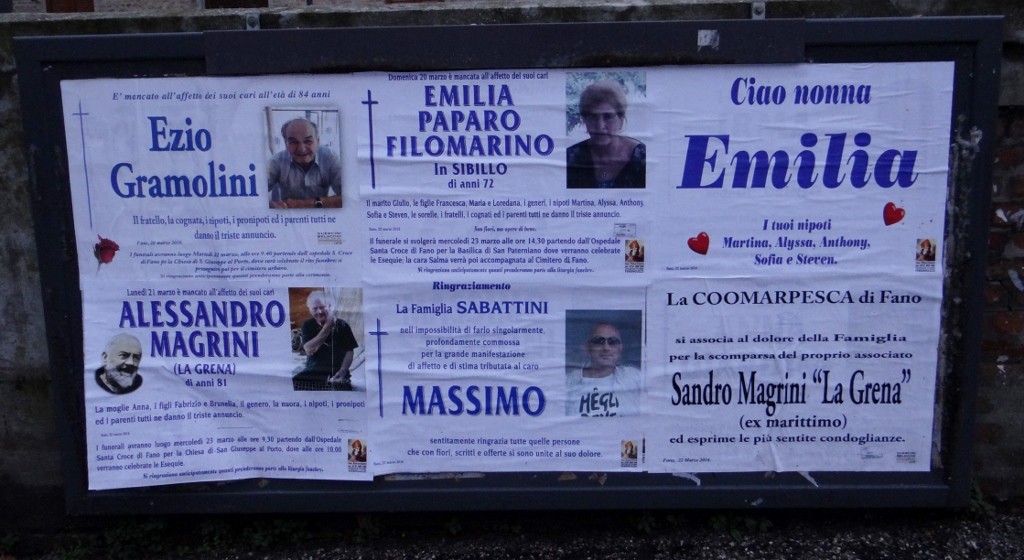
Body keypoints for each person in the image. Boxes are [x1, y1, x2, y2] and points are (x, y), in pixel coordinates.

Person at [566, 81, 646, 188]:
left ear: (621, 120)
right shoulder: (570, 159)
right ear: (585, 120)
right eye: (592, 117)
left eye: (608, 116)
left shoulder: (642, 158)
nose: (600, 126)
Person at [565, 322, 642, 416]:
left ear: (620, 348)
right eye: (599, 342)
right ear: (588, 348)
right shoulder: (568, 382)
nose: (606, 348)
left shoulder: (635, 378)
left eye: (612, 342)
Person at [267, 118, 342, 208]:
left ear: (318, 142)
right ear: (286, 144)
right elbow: (255, 193)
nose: (301, 149)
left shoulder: (330, 158)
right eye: (293, 142)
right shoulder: (277, 161)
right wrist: (271, 205)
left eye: (308, 141)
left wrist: (305, 204)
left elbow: (349, 197)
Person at [295, 290, 358, 390]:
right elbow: (309, 350)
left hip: (338, 373)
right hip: (313, 372)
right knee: (294, 383)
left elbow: (349, 351)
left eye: (322, 307)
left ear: (329, 306)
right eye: (315, 308)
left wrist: (343, 371)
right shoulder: (307, 325)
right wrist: (327, 328)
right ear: (310, 310)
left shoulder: (342, 325)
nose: (319, 312)